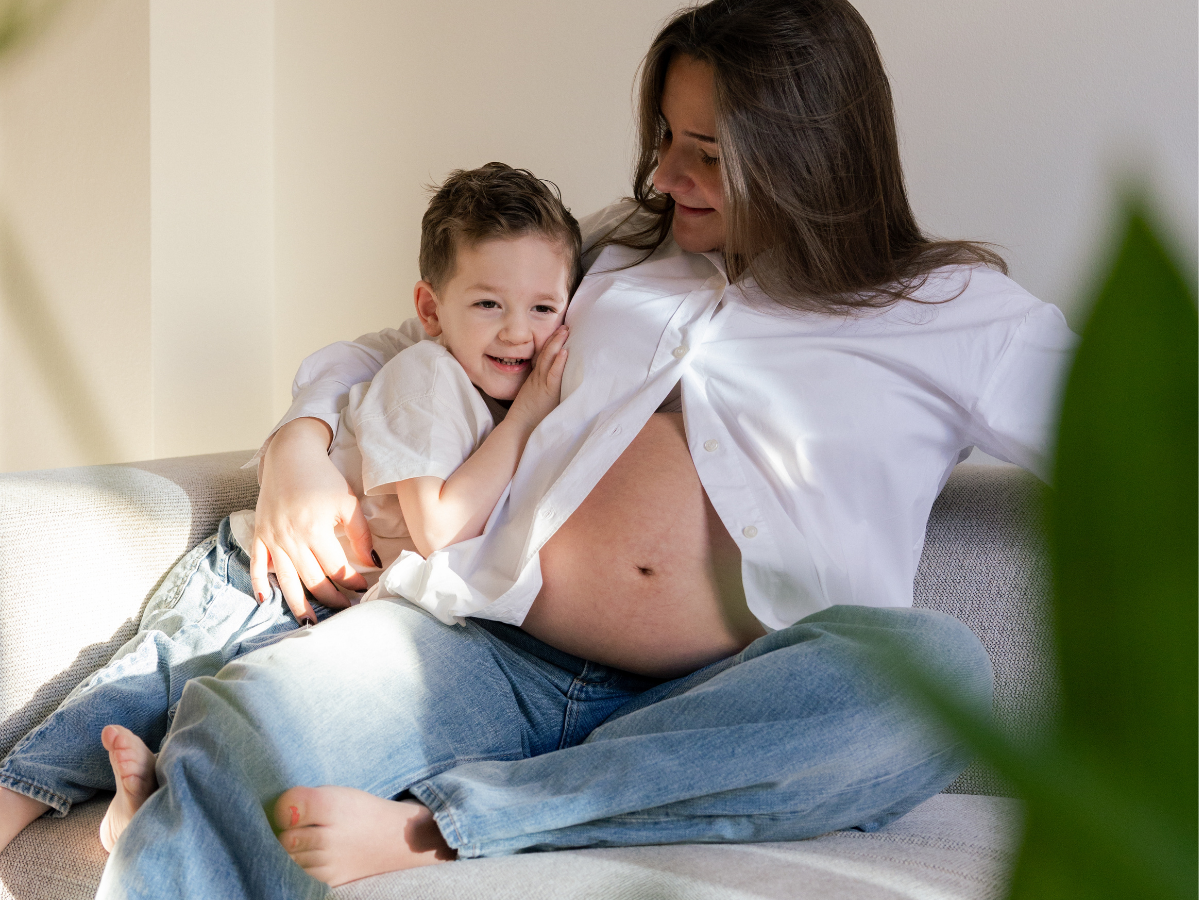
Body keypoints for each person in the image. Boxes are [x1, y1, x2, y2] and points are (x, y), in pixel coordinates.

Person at [94, 0, 1078, 896]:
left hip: (729, 705)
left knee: (936, 675)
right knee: (255, 714)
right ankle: (179, 824)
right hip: (484, 655)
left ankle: (450, 825)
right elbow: (405, 341)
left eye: (704, 152)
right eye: (662, 138)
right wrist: (298, 446)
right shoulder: (616, 253)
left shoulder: (953, 315)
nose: (661, 176)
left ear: (808, 152)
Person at [0, 162, 577, 856]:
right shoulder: (428, 380)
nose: (519, 333)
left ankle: (141, 811)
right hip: (257, 584)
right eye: (489, 305)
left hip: (329, 616)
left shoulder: (491, 393)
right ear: (430, 311)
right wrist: (528, 422)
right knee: (115, 703)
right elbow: (440, 528)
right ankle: (15, 801)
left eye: (543, 309)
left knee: (231, 731)